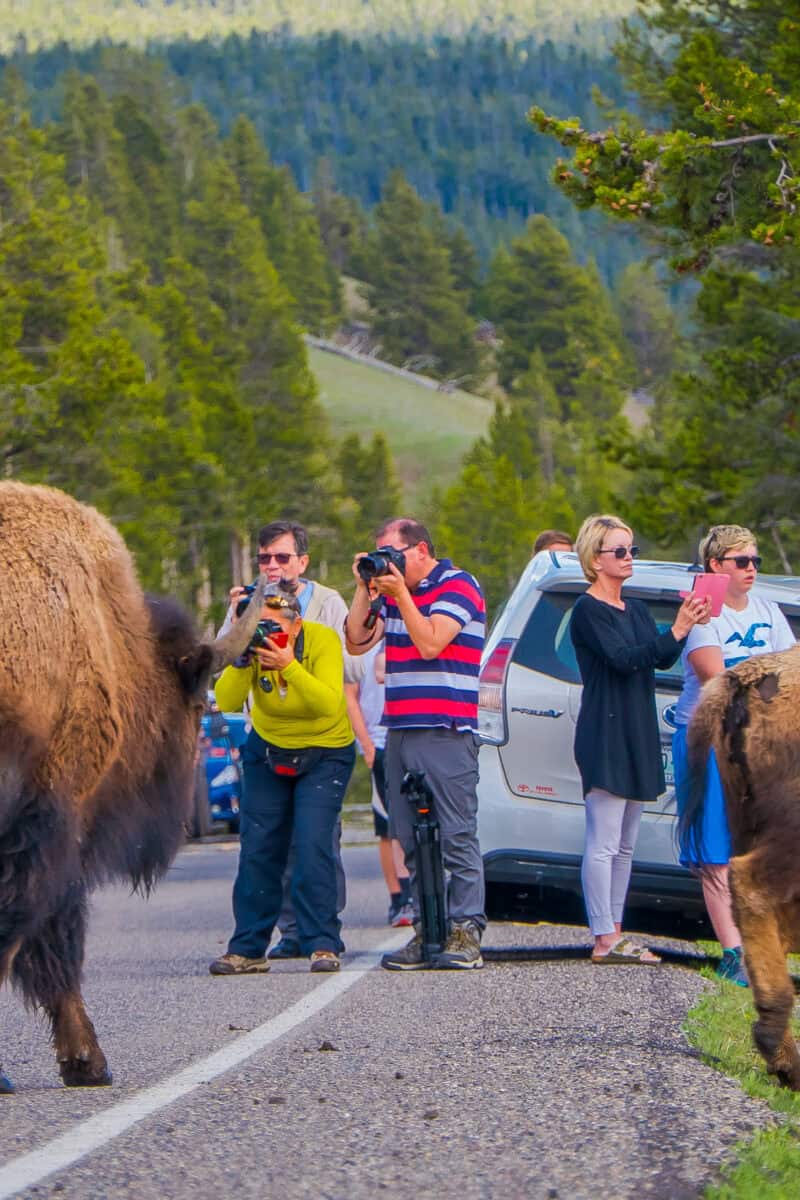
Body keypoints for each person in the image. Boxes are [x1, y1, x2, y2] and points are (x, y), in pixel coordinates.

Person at [345, 517, 487, 970]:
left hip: (446, 728)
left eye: (393, 553)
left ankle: (466, 930)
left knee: (456, 835)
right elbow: (355, 640)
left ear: (421, 550)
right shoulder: (389, 594)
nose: (387, 563)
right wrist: (365, 587)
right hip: (401, 729)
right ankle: (429, 931)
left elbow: (430, 642)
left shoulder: (459, 585)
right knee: (407, 836)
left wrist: (400, 594)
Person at [569, 514, 709, 964]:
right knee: (604, 838)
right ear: (595, 558)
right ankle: (602, 935)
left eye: (633, 550)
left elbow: (660, 655)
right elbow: (625, 659)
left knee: (626, 842)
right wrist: (678, 629)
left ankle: (616, 927)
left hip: (636, 727)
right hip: (605, 730)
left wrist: (684, 625)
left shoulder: (638, 609)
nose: (629, 559)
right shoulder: (588, 610)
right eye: (620, 551)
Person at [221, 519, 360, 959]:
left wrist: (288, 665)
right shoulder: (253, 641)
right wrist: (242, 660)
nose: (267, 635)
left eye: (274, 627)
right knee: (259, 848)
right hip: (268, 745)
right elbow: (225, 699)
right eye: (258, 626)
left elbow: (326, 701)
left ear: (296, 625)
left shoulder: (319, 637)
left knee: (314, 843)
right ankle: (247, 947)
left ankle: (322, 942)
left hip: (324, 749)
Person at [673, 524, 795, 987]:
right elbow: (716, 679)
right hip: (712, 738)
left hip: (762, 745)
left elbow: (791, 669)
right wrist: (768, 681)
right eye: (741, 561)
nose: (751, 570)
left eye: (755, 561)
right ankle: (731, 950)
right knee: (715, 849)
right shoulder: (703, 615)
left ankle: (767, 945)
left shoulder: (767, 610)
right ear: (714, 566)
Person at [346, 642, 413, 926]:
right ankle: (399, 895)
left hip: (413, 737)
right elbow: (350, 695)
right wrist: (367, 744)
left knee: (416, 820)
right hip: (380, 741)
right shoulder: (361, 643)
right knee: (388, 826)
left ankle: (421, 892)